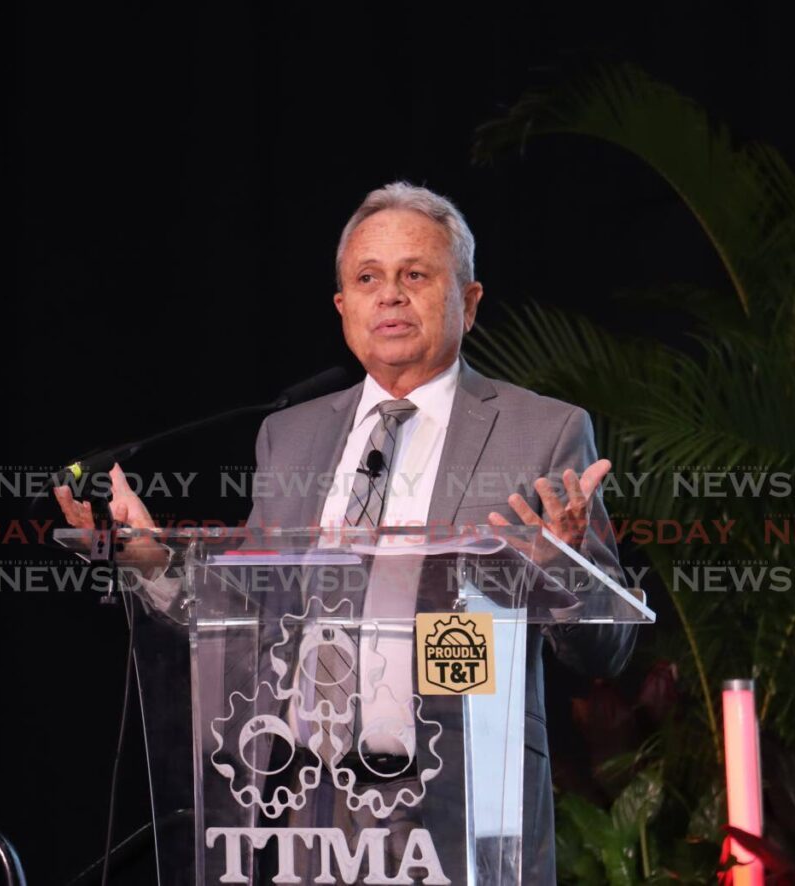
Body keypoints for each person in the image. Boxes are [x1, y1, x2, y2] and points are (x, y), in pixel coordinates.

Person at [55, 181, 636, 883]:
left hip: (461, 804)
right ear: (343, 308)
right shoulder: (290, 436)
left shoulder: (542, 432)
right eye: (368, 279)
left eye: (414, 275)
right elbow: (251, 619)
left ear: (470, 302)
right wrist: (153, 562)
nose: (389, 296)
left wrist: (563, 563)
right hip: (310, 805)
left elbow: (608, 648)